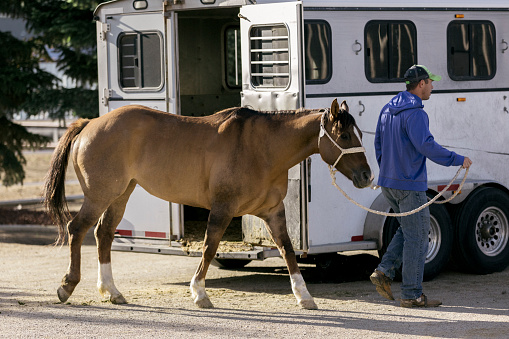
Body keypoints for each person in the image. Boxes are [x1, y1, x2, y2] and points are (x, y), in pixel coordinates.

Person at [370, 65, 472, 308]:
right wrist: (457, 159)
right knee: (418, 238)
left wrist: (387, 171)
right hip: (410, 186)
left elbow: (378, 144)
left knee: (408, 230)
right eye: (430, 82)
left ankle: (384, 270)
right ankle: (412, 294)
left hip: (389, 184)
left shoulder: (387, 109)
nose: (433, 86)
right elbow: (426, 146)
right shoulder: (415, 113)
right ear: (421, 84)